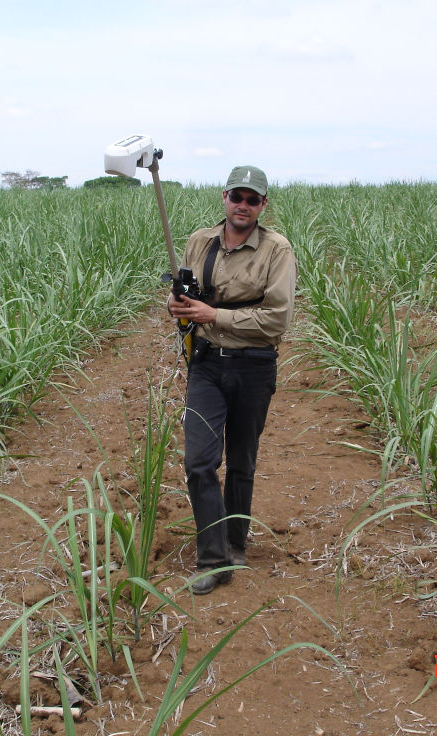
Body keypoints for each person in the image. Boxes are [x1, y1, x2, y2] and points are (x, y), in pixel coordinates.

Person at [167, 165, 297, 595]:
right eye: (236, 197)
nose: (243, 206)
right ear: (224, 198)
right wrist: (181, 306)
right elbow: (188, 297)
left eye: (252, 199)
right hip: (205, 364)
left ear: (263, 205)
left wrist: (214, 315)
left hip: (254, 365)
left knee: (241, 461)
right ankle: (213, 557)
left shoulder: (277, 250)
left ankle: (236, 544)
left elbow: (277, 318)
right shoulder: (199, 240)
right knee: (199, 461)